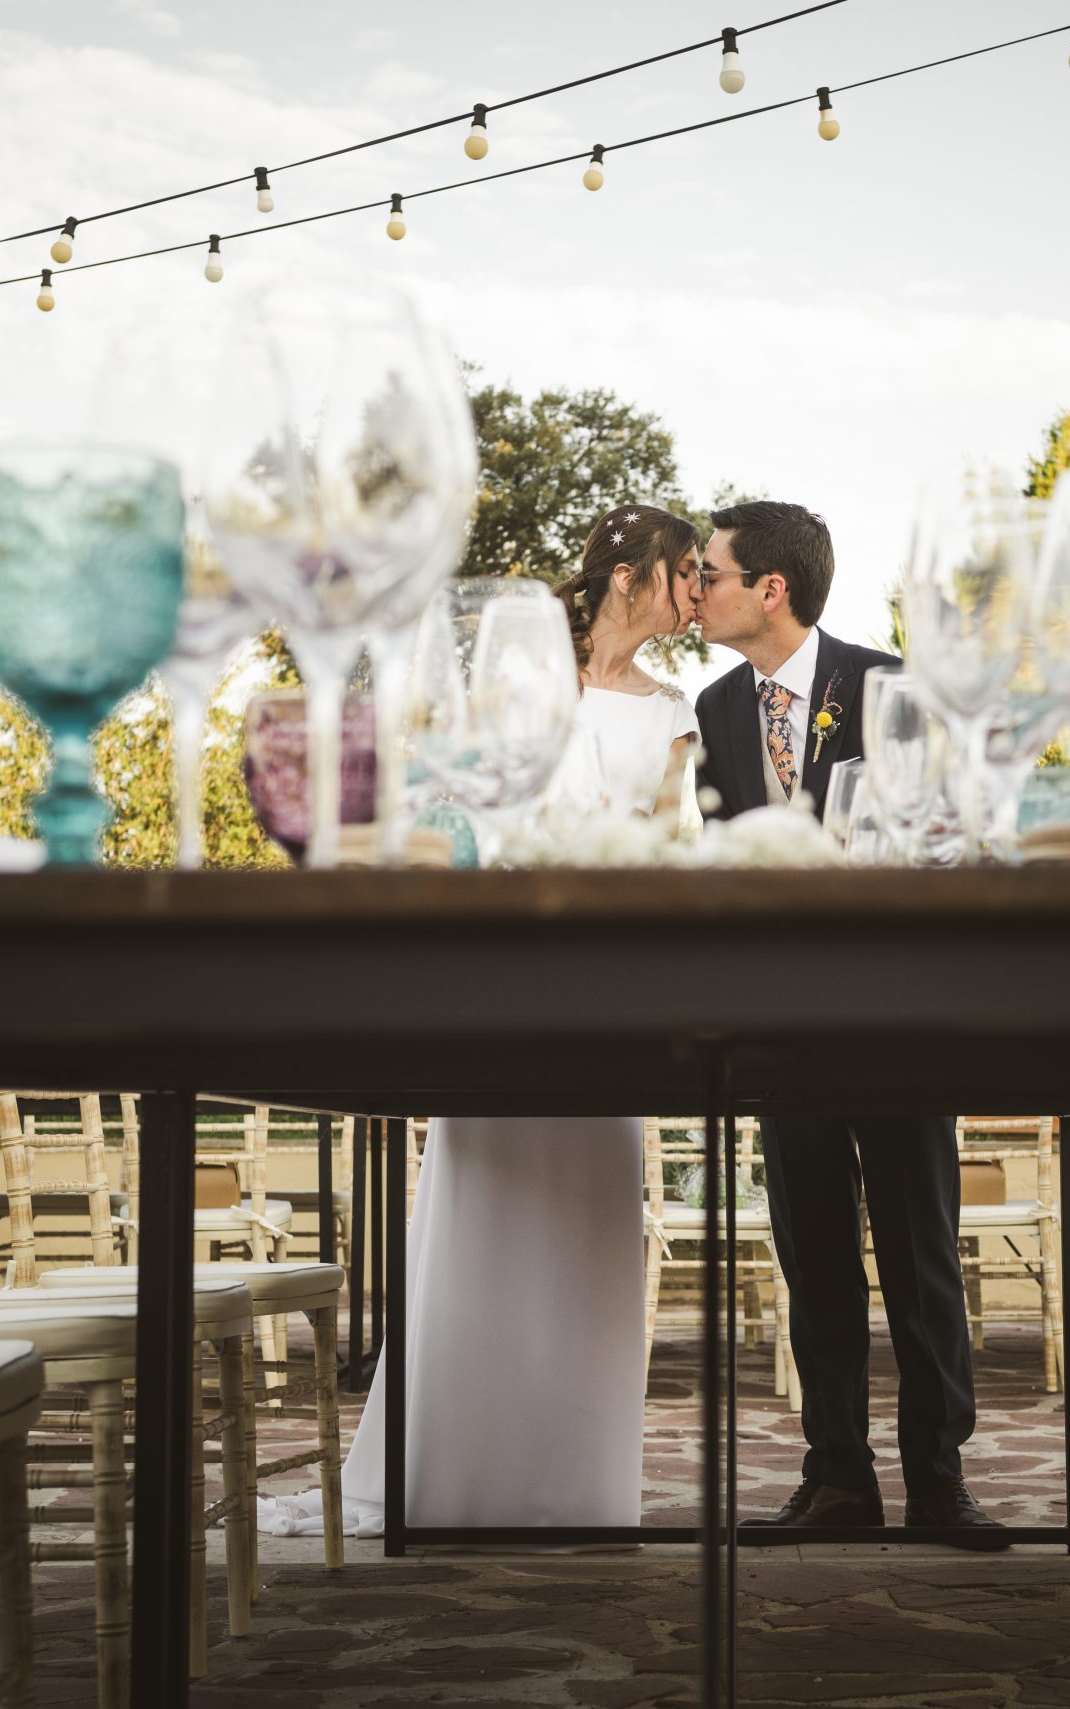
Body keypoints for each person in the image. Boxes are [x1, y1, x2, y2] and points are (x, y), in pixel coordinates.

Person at [263, 505, 705, 1538]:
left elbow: (662, 848)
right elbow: (462, 810)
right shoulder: (520, 683)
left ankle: (573, 1486)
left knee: (587, 1221)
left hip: (607, 996)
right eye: (684, 570)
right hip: (506, 980)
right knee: (482, 1210)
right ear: (631, 575)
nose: (694, 590)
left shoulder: (673, 711)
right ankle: (448, 1470)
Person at [691, 500, 1002, 1546]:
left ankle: (940, 1480)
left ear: (770, 588)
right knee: (813, 1257)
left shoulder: (890, 684)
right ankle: (837, 1479)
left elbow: (947, 835)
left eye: (712, 573)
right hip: (782, 1027)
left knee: (921, 1255)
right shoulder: (717, 707)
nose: (697, 591)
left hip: (899, 1016)